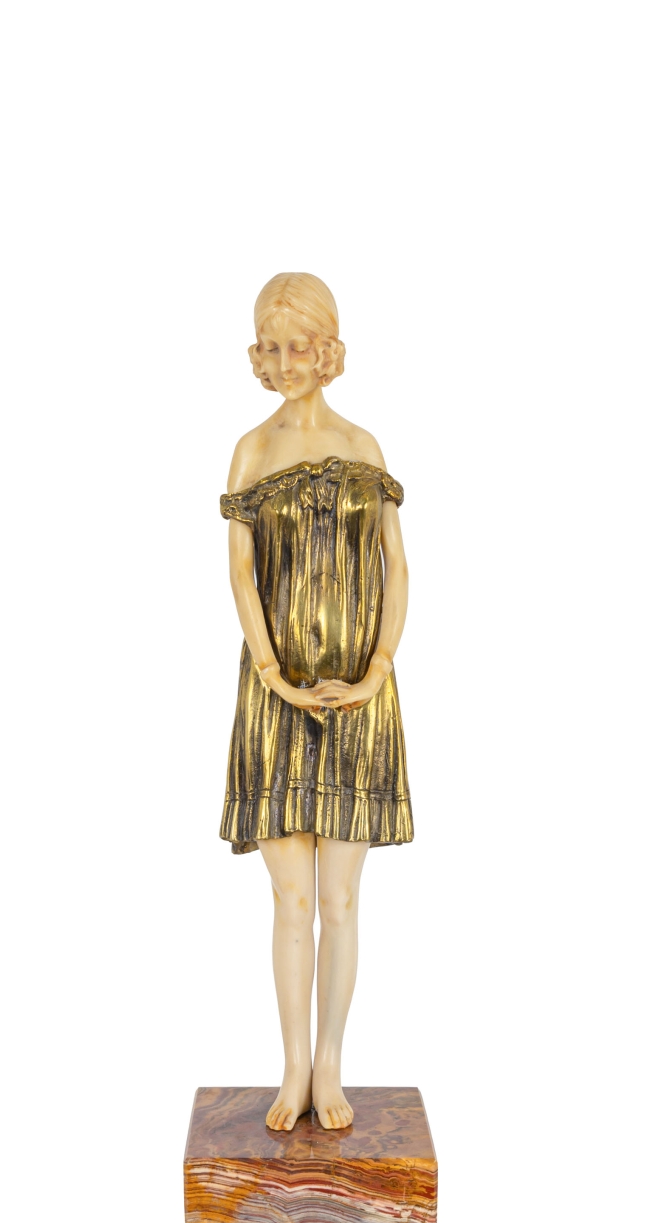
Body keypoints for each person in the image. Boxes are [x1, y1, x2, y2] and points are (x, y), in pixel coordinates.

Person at [220, 273, 414, 1132]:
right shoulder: (251, 452)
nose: (289, 360)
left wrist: (376, 671)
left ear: (328, 349)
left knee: (340, 899)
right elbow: (240, 573)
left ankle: (331, 1060)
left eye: (302, 344)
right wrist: (271, 673)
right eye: (274, 346)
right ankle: (293, 1065)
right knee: (290, 900)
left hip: (355, 699)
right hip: (277, 697)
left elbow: (397, 567)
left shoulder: (364, 446)